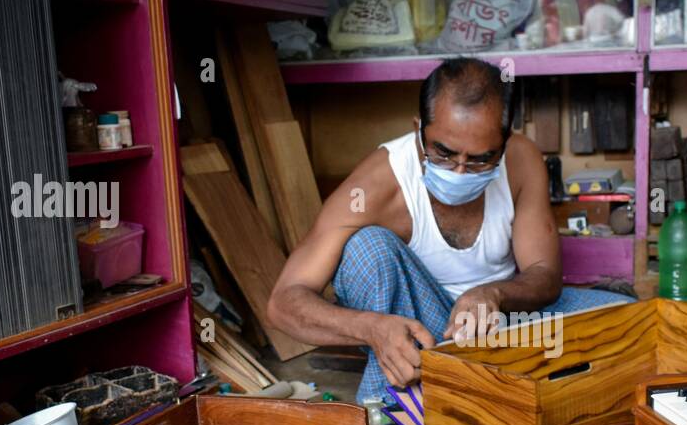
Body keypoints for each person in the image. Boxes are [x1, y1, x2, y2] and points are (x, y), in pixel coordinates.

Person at [267, 57, 632, 403]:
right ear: (418, 130)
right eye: (443, 153)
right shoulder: (377, 184)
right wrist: (371, 328)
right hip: (421, 328)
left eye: (480, 159)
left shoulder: (521, 160)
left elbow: (546, 276)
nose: (459, 170)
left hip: (496, 323)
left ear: (504, 144)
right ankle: (394, 408)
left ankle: (475, 382)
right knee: (368, 247)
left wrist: (492, 294)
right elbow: (285, 302)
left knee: (627, 320)